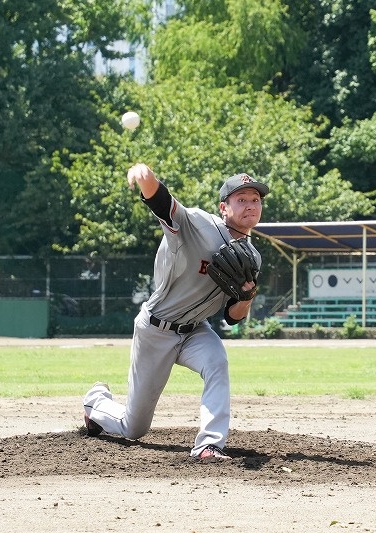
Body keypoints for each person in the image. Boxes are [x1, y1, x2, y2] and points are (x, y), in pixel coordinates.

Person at [83, 163, 269, 459]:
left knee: (217, 362)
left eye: (256, 199)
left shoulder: (252, 257)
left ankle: (208, 445)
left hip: (196, 331)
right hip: (157, 329)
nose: (250, 205)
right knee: (134, 427)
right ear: (224, 207)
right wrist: (145, 177)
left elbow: (232, 317)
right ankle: (96, 402)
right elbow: (162, 203)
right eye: (241, 199)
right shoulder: (199, 224)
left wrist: (247, 296)